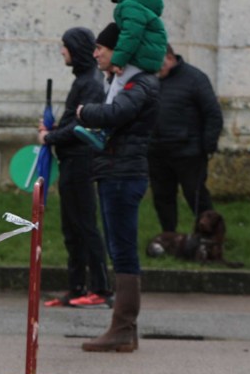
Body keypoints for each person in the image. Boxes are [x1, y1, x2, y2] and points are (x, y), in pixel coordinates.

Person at [74, 22, 159, 352]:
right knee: (118, 248)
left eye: (101, 48)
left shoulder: (140, 83)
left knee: (122, 250)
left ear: (119, 50)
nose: (95, 53)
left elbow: (116, 113)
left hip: (124, 175)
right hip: (114, 172)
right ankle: (124, 330)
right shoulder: (120, 82)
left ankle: (123, 327)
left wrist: (85, 112)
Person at [40, 27, 110, 307]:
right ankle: (77, 287)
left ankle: (100, 288)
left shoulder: (90, 82)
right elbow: (72, 122)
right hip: (71, 160)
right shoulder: (84, 79)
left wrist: (50, 137)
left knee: (85, 225)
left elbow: (82, 125)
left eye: (65, 46)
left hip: (81, 160)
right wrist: (55, 130)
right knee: (72, 227)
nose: (62, 51)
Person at [148, 46, 222, 235]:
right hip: (157, 152)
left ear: (169, 57)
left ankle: (210, 237)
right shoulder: (151, 80)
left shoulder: (195, 78)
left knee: (196, 196)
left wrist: (207, 146)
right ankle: (169, 236)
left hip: (188, 153)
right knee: (162, 197)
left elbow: (213, 113)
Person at [107, 0, 168, 75]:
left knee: (116, 86)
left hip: (138, 62)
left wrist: (118, 61)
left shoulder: (130, 5)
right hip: (145, 60)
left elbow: (130, 34)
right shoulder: (138, 3)